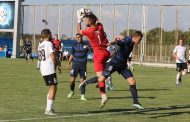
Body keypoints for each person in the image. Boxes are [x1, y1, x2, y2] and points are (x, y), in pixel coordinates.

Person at [79, 31, 144, 110]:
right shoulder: (127, 40)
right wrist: (111, 42)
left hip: (123, 66)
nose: (140, 42)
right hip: (114, 63)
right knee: (101, 79)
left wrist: (120, 38)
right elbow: (118, 41)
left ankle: (136, 102)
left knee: (132, 81)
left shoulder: (130, 40)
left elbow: (123, 38)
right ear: (136, 37)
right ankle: (85, 83)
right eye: (139, 40)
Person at [77, 9, 110, 108]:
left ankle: (86, 83)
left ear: (90, 21)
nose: (85, 20)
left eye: (87, 19)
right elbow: (98, 20)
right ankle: (103, 95)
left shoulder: (90, 31)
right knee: (102, 76)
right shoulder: (100, 27)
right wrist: (90, 13)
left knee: (100, 77)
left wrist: (79, 20)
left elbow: (79, 31)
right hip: (106, 52)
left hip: (99, 54)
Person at [38, 29, 62, 115]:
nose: (51, 35)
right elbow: (53, 57)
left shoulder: (40, 45)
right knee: (53, 87)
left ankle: (49, 108)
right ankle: (48, 110)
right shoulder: (49, 43)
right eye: (50, 34)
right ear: (48, 35)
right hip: (49, 68)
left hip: (43, 68)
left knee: (52, 87)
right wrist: (59, 64)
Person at [66, 33, 89, 100]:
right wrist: (68, 63)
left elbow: (92, 49)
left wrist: (88, 47)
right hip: (75, 64)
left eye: (79, 37)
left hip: (83, 65)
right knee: (72, 80)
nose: (78, 38)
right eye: (77, 37)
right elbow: (72, 55)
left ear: (82, 37)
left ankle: (82, 96)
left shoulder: (86, 45)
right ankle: (72, 91)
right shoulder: (74, 45)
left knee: (82, 81)